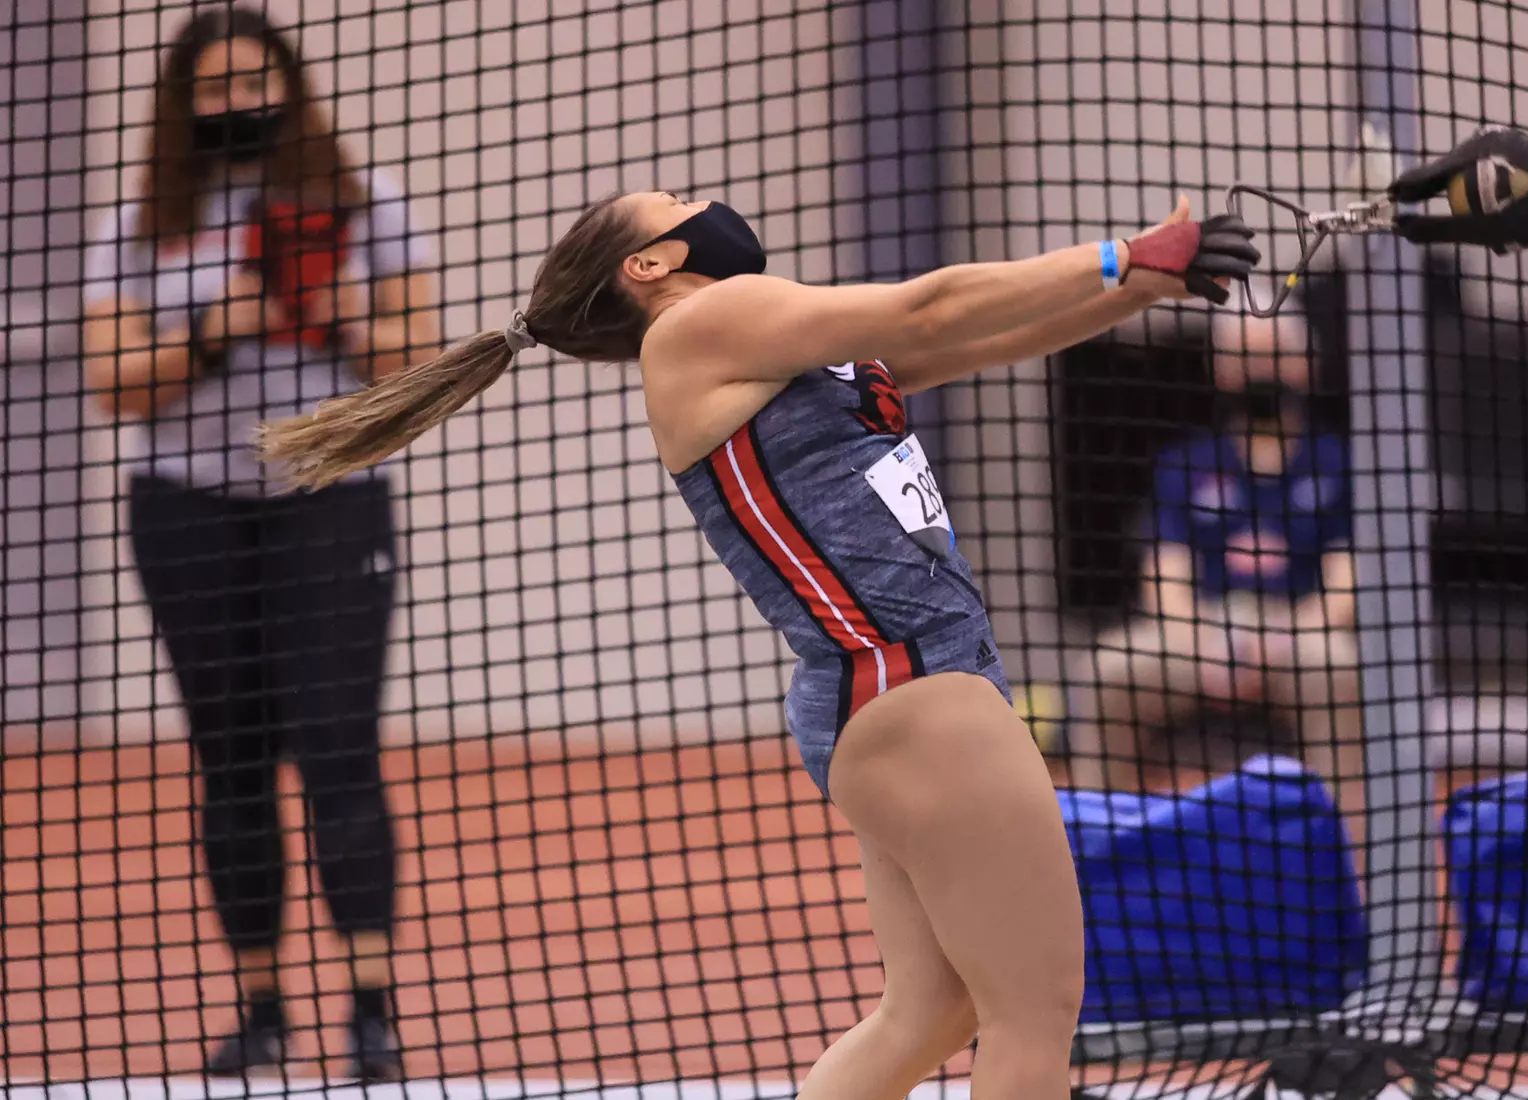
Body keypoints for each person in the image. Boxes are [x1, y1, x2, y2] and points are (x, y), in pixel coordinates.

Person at [256, 191, 1258, 1100]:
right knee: (1035, 1017)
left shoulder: (773, 347)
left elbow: (980, 338)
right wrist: (1119, 253)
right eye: (678, 201)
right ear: (645, 264)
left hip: (884, 689)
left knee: (931, 1012)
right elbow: (929, 306)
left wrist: (1144, 288)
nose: (707, 203)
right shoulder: (702, 322)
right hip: (914, 683)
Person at [80, 4, 440, 1080]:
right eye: (216, 88)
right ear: (183, 105)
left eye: (255, 81)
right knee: (231, 758)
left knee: (338, 747)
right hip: (188, 509)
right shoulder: (144, 223)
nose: (240, 102)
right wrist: (208, 331)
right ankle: (262, 1003)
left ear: (289, 83)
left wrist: (328, 317)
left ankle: (371, 1006)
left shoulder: (360, 204)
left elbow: (417, 361)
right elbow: (110, 382)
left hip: (331, 503)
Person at [1071, 287, 1362, 807]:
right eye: (1245, 359)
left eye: (1275, 356)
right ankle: (1106, 842)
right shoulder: (1186, 463)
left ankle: (1344, 854)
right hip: (1202, 633)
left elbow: (1344, 592)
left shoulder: (1337, 463)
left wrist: (1279, 639)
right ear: (1221, 371)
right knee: (1110, 668)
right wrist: (1211, 644)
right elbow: (1165, 580)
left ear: (1305, 366)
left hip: (1298, 633)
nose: (1261, 372)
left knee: (1338, 667)